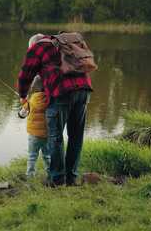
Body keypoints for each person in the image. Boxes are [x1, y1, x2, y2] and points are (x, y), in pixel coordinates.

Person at [17, 33, 92, 186]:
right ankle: (71, 178)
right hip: (84, 90)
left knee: (55, 136)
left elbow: (25, 75)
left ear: (32, 45)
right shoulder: (63, 43)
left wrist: (23, 96)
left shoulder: (38, 48)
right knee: (76, 137)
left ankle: (56, 180)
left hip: (62, 94)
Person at [20, 74, 50, 178]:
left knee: (32, 156)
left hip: (34, 135)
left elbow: (22, 113)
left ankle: (30, 175)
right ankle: (50, 174)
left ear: (34, 87)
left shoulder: (31, 100)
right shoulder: (49, 99)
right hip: (47, 134)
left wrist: (23, 102)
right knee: (47, 156)